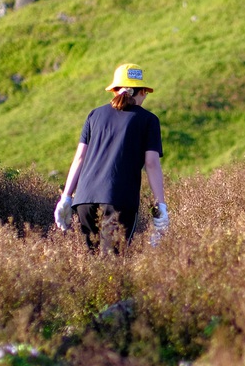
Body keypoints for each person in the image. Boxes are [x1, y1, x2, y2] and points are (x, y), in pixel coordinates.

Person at [55, 63, 168, 252]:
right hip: (119, 199)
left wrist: (66, 198)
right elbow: (151, 164)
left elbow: (79, 159)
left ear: (115, 90)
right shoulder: (149, 120)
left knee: (91, 264)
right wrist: (161, 206)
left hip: (84, 200)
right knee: (113, 265)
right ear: (140, 92)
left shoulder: (94, 115)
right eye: (145, 93)